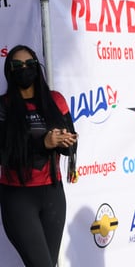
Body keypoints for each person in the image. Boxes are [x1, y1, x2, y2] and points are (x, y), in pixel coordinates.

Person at [1, 45, 78, 267]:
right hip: (18, 198)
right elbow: (4, 154)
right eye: (17, 65)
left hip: (53, 195)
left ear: (37, 68)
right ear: (9, 71)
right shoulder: (3, 106)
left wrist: (66, 142)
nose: (24, 69)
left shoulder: (56, 100)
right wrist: (43, 143)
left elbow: (69, 147)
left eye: (29, 64)